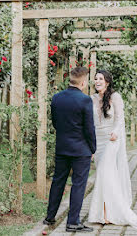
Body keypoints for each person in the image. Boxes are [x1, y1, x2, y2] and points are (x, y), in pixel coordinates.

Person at [88, 70, 137, 231]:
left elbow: (120, 118)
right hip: (97, 141)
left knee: (104, 173)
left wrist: (115, 132)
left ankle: (114, 212)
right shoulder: (91, 99)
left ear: (107, 81)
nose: (97, 81)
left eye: (101, 78)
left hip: (111, 139)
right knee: (105, 175)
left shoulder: (115, 97)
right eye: (95, 79)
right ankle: (102, 213)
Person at [44, 67, 96, 233]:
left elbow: (55, 123)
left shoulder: (57, 98)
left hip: (62, 147)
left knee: (58, 182)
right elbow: (89, 128)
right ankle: (73, 222)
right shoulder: (85, 100)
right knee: (78, 184)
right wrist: (92, 148)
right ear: (83, 82)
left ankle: (50, 217)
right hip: (81, 150)